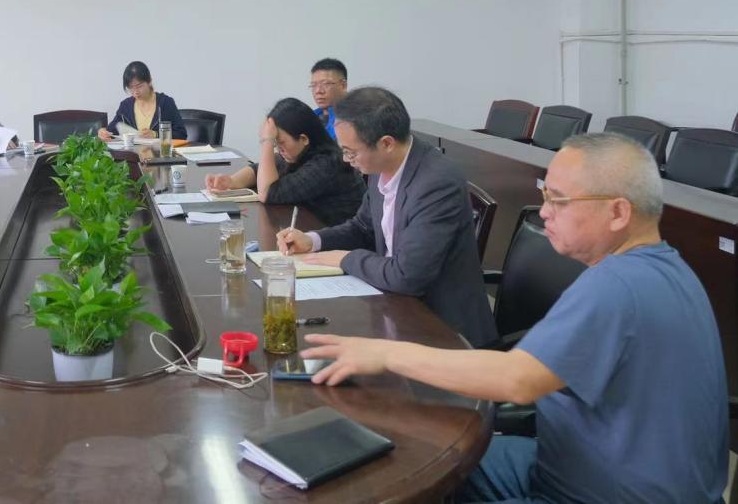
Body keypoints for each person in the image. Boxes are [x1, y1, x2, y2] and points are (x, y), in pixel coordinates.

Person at [300, 133, 729, 504]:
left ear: (618, 212)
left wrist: (386, 355)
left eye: (559, 200)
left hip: (606, 493)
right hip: (568, 462)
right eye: (545, 197)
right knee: (419, 453)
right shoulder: (665, 266)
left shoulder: (617, 285)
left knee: (411, 467)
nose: (544, 212)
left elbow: (517, 380)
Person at [277, 87, 496, 346]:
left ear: (387, 143)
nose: (346, 160)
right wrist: (313, 240)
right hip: (397, 306)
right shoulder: (381, 167)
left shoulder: (436, 183)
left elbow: (407, 276)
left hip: (443, 329)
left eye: (351, 152)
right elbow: (362, 227)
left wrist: (346, 259)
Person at [205, 98, 364, 225]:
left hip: (340, 243)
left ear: (303, 139)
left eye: (280, 142)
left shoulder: (325, 164)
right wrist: (231, 181)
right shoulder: (299, 154)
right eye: (274, 142)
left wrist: (266, 142)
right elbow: (258, 169)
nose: (278, 149)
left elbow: (268, 193)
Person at [97, 61, 187, 141]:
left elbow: (181, 134)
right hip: (132, 154)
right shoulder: (126, 106)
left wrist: (156, 134)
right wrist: (103, 132)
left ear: (149, 81)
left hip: (159, 153)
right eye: (131, 88)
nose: (135, 92)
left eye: (139, 86)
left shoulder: (165, 103)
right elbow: (112, 130)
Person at [308, 57, 348, 139]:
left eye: (326, 84)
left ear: (343, 86)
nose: (318, 91)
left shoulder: (356, 118)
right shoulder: (309, 118)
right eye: (314, 85)